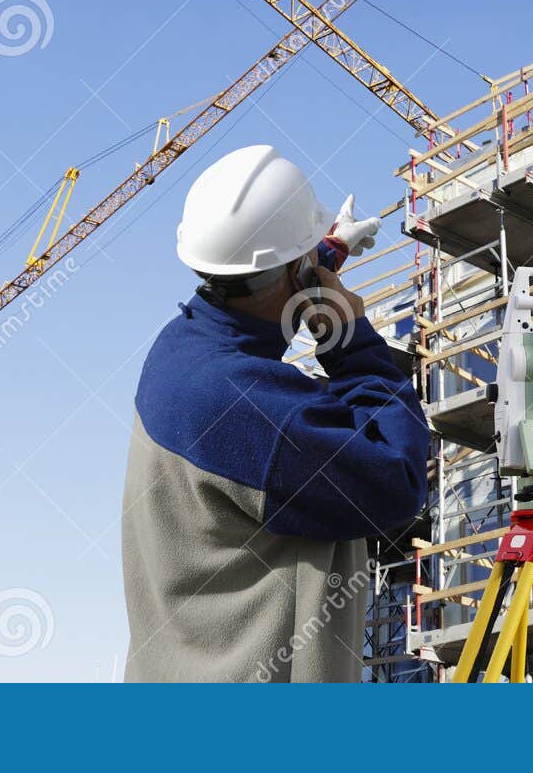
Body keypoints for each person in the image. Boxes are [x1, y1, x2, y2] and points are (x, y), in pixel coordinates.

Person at [122, 144, 428, 682]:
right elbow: (397, 478)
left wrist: (323, 255)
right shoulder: (250, 405)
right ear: (290, 271)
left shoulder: (182, 350)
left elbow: (257, 305)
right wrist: (349, 337)